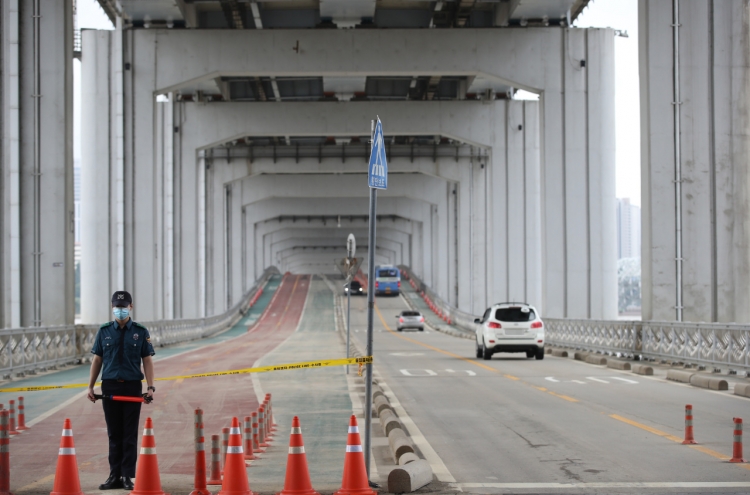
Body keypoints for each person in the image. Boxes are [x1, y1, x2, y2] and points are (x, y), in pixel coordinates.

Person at [87, 291, 156, 490]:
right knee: (114, 433)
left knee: (129, 434)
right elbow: (97, 360)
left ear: (130, 307)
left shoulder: (141, 332)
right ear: (112, 307)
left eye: (123, 306)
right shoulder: (104, 331)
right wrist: (90, 386)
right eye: (117, 306)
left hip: (132, 386)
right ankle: (114, 476)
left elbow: (147, 360)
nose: (120, 309)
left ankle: (127, 476)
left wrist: (150, 387)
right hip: (109, 386)